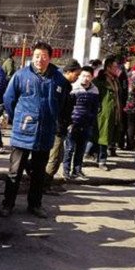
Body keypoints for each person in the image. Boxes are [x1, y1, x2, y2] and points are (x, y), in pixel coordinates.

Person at [0, 41, 69, 219]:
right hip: (23, 131)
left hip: (45, 132)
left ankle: (35, 205)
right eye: (37, 56)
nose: (40, 59)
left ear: (50, 58)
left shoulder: (58, 78)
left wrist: (52, 117)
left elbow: (62, 103)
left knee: (39, 173)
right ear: (32, 56)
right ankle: (8, 204)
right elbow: (9, 99)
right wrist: (18, 118)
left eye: (44, 56)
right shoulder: (21, 75)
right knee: (15, 171)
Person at [44, 59, 81, 191]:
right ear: (69, 72)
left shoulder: (66, 86)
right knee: (54, 158)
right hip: (56, 127)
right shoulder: (59, 84)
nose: (77, 78)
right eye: (76, 75)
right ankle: (44, 185)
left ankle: (43, 182)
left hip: (62, 126)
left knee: (58, 157)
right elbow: (56, 108)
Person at [63, 66, 99, 179]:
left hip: (87, 124)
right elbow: (67, 107)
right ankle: (66, 171)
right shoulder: (73, 88)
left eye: (88, 76)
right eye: (83, 76)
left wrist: (91, 122)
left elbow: (95, 108)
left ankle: (77, 170)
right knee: (69, 149)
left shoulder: (95, 90)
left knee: (81, 149)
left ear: (92, 77)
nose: (85, 78)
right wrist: (69, 122)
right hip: (73, 123)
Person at [92, 56, 123, 171]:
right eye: (115, 67)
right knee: (103, 138)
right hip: (103, 113)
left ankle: (96, 156)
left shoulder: (115, 80)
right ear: (108, 67)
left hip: (114, 112)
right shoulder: (100, 81)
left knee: (107, 137)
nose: (117, 69)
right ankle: (102, 160)